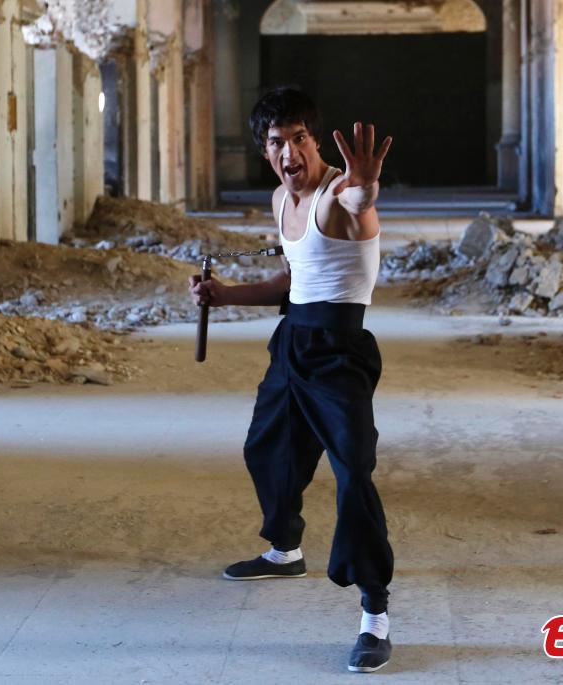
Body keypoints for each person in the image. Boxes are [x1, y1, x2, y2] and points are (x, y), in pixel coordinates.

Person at [188, 86, 395, 673]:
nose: (289, 153)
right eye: (277, 142)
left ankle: (375, 612)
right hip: (292, 342)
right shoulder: (282, 199)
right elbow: (293, 278)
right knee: (268, 448)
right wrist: (224, 295)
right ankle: (285, 551)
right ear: (265, 150)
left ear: (315, 140)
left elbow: (360, 202)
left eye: (299, 138)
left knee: (353, 473)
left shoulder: (337, 196)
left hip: (339, 352)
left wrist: (367, 185)